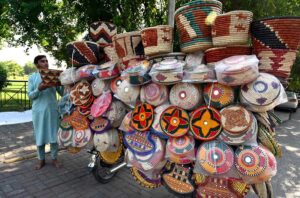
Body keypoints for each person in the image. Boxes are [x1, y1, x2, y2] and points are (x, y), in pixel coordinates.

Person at [27, 55, 63, 170]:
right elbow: (30, 96)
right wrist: (39, 89)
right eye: (43, 61)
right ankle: (41, 159)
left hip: (52, 110)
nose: (46, 63)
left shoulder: (53, 76)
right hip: (38, 112)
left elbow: (62, 93)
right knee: (40, 135)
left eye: (47, 61)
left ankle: (54, 158)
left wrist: (62, 82)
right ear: (37, 64)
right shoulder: (32, 77)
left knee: (54, 135)